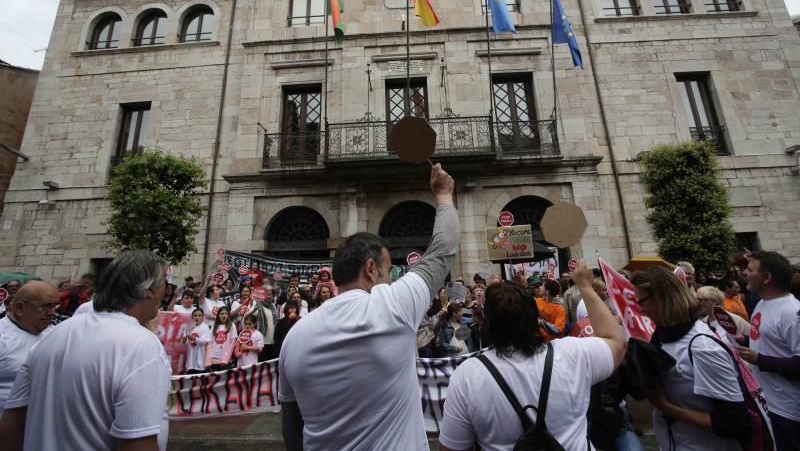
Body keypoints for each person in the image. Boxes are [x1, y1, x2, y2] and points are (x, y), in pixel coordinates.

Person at [279, 163, 458, 451]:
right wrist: (444, 194)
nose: (391, 280)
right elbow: (443, 250)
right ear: (371, 269)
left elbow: (291, 422)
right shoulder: (392, 306)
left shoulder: (294, 337)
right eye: (388, 273)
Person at [438, 260, 625, 450]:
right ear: (535, 316)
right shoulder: (573, 353)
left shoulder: (467, 375)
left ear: (488, 322)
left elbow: (451, 447)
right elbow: (617, 342)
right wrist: (585, 286)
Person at [0, 250, 172, 451]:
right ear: (150, 289)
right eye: (164, 284)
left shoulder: (53, 335)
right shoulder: (141, 346)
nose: (166, 291)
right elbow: (138, 443)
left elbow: (12, 424)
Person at [632, 267, 753, 450]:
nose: (640, 310)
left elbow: (738, 425)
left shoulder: (703, 348)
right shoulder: (662, 336)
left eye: (642, 302)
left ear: (662, 298)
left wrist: (668, 408)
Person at [737, 251, 800, 451]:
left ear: (767, 277)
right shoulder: (763, 302)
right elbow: (771, 340)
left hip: (789, 412)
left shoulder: (792, 312)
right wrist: (745, 340)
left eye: (750, 269)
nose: (744, 273)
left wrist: (760, 359)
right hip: (768, 404)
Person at [0, 282, 58, 415]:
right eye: (46, 306)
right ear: (20, 308)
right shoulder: (2, 337)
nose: (52, 313)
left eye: (55, 306)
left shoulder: (55, 334)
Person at [204, 306, 237, 371]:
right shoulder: (214, 326)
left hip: (225, 361)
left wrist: (225, 360)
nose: (224, 315)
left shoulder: (232, 326)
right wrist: (208, 361)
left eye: (226, 313)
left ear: (228, 315)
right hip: (213, 360)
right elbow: (209, 343)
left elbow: (232, 345)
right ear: (218, 315)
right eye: (222, 314)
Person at [251, 285, 278, 361]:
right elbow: (249, 318)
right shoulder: (258, 305)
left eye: (271, 294)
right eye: (267, 294)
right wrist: (254, 309)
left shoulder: (273, 306)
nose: (269, 296)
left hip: (272, 340)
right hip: (261, 341)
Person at [183, 308, 211, 374]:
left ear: (203, 317)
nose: (197, 317)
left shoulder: (205, 326)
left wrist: (194, 338)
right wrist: (184, 340)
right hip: (190, 361)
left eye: (199, 315)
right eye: (195, 315)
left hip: (200, 361)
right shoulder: (189, 327)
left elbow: (204, 341)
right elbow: (186, 343)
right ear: (192, 317)